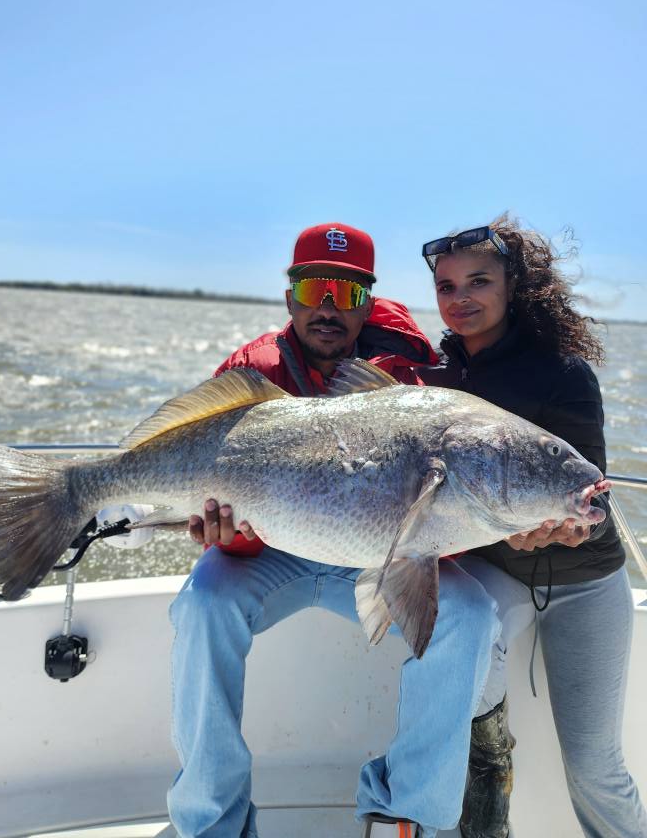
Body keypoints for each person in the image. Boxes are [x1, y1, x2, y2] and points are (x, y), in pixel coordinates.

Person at [167, 222, 502, 838]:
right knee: (203, 603)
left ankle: (409, 816)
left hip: (372, 554)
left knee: (470, 616)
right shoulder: (246, 372)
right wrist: (226, 532)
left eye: (346, 293)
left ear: (367, 303)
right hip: (270, 554)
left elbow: (445, 505)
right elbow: (218, 496)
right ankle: (213, 822)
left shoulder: (410, 378)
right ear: (290, 295)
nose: (328, 306)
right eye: (313, 288)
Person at [418, 217, 647, 838]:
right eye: (446, 286)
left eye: (479, 281)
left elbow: (590, 502)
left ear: (513, 285)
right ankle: (487, 812)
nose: (460, 298)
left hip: (586, 582)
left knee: (595, 768)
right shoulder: (436, 377)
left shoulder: (564, 373)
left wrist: (569, 529)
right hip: (498, 568)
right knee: (462, 677)